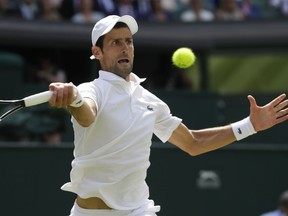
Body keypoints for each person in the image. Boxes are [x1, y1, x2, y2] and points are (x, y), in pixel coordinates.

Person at [47, 15, 288, 216]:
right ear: (96, 52)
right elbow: (87, 116)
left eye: (129, 41)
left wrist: (250, 125)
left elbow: (192, 143)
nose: (125, 48)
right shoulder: (90, 91)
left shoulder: (150, 101)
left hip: (138, 210)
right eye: (115, 42)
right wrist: (75, 99)